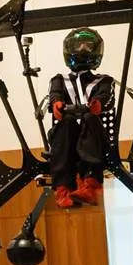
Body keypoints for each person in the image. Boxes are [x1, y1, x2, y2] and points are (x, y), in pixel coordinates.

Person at [47, 27, 115, 209]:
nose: (83, 50)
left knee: (89, 117)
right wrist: (57, 104)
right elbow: (54, 96)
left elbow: (105, 97)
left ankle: (90, 185)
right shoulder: (59, 80)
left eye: (88, 46)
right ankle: (63, 190)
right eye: (79, 46)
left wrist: (97, 104)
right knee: (67, 122)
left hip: (95, 136)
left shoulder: (104, 81)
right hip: (67, 137)